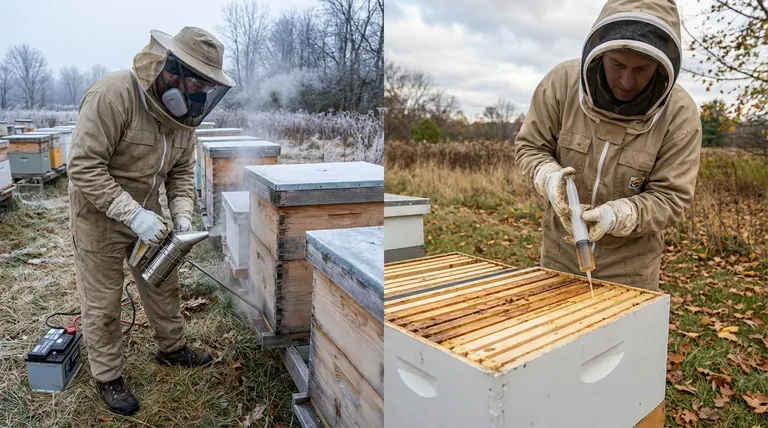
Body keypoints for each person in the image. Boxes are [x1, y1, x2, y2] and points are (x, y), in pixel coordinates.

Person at [66, 26, 235, 416]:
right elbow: (83, 165)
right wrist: (132, 214)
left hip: (149, 213)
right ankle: (108, 377)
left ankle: (172, 350)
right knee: (103, 302)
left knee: (163, 284)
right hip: (98, 216)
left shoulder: (185, 115)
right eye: (193, 79)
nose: (196, 91)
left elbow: (179, 173)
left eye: (205, 84)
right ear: (168, 67)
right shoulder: (113, 95)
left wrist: (180, 213)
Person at [514, 0, 702, 292]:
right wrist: (548, 177)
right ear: (599, 49)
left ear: (663, 64)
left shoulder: (680, 114)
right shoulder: (561, 84)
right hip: (560, 255)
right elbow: (529, 148)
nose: (627, 81)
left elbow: (672, 197)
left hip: (631, 268)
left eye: (642, 69)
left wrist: (622, 214)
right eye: (617, 64)